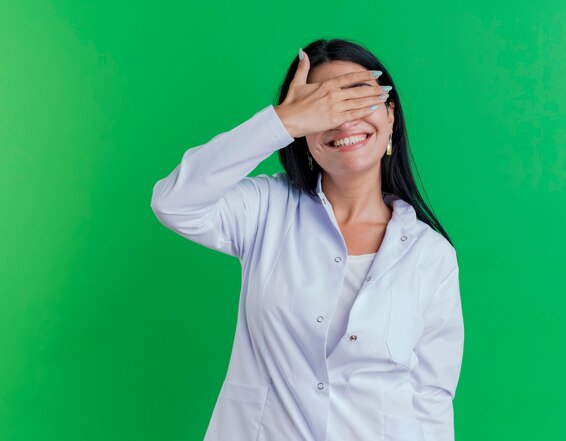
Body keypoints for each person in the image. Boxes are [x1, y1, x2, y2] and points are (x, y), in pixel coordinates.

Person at [151, 38, 464, 441]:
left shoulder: (430, 255)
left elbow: (430, 399)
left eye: (356, 98)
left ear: (390, 117)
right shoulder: (266, 209)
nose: (343, 119)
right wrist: (281, 122)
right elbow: (174, 202)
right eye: (322, 107)